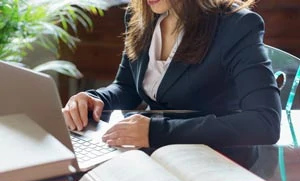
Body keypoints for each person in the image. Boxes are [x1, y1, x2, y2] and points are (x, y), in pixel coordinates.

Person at [62, 0, 281, 149]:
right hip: (152, 152)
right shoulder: (141, 15)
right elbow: (127, 87)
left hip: (216, 159)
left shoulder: (236, 25)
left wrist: (157, 132)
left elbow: (265, 122)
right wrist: (96, 99)